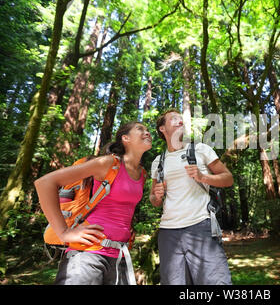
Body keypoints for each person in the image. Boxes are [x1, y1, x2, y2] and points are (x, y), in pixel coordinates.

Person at [35, 122, 152, 285]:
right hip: (87, 254)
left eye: (148, 130)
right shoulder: (108, 163)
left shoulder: (143, 173)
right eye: (140, 129)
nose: (147, 132)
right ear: (126, 138)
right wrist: (64, 233)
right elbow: (45, 182)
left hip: (120, 256)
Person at [150, 109, 234, 285]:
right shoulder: (158, 161)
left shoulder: (201, 150)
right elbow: (154, 200)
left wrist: (204, 177)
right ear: (162, 129)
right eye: (174, 119)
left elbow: (228, 178)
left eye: (181, 119)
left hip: (200, 227)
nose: (180, 121)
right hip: (168, 233)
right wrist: (156, 196)